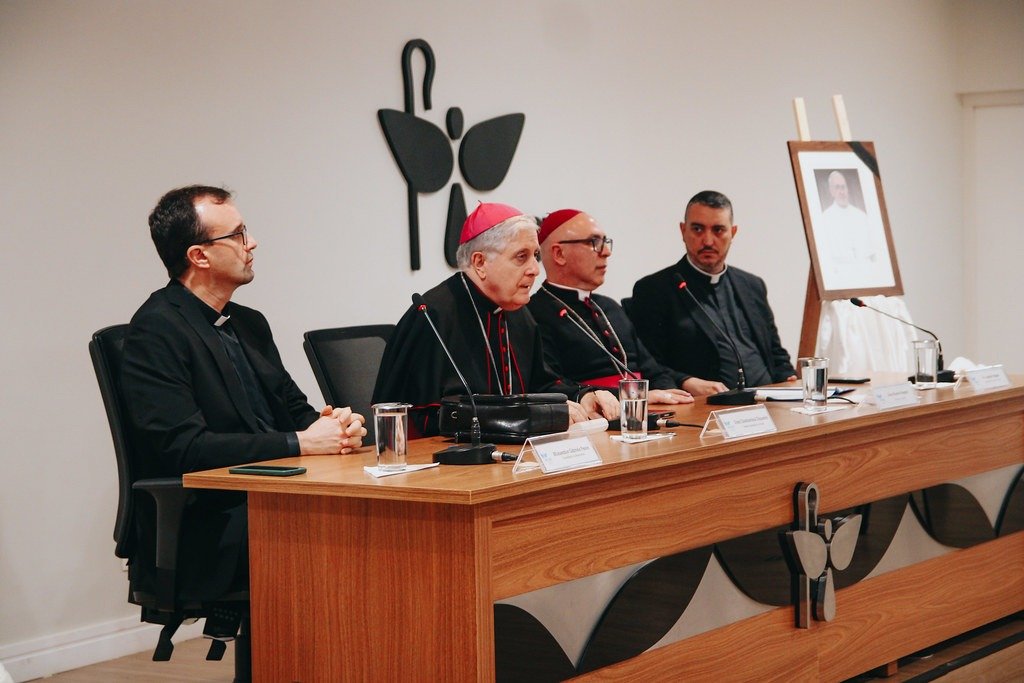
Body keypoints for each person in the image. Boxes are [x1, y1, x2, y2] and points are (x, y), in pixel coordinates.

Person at [121, 185, 365, 614]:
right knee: (366, 539)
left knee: (389, 524)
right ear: (200, 256)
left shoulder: (249, 323)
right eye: (236, 235)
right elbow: (184, 448)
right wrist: (302, 442)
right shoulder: (156, 330)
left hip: (272, 500)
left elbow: (296, 412)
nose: (252, 243)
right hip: (213, 520)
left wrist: (337, 427)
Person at [373, 202, 619, 437]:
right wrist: (526, 415)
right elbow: (422, 417)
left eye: (535, 256)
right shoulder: (433, 315)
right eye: (521, 257)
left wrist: (582, 396)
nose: (535, 269)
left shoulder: (520, 315)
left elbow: (540, 385)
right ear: (480, 262)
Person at [630, 190, 795, 396]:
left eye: (718, 230)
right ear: (683, 231)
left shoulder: (752, 285)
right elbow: (647, 364)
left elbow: (775, 352)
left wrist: (790, 382)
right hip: (708, 407)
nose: (708, 241)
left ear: (733, 233)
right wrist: (686, 381)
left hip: (768, 401)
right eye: (698, 229)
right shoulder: (654, 289)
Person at [529, 209, 693, 405]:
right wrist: (635, 397)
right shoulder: (534, 313)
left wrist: (672, 398)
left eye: (605, 242)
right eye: (594, 243)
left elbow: (653, 371)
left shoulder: (609, 307)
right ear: (559, 254)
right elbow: (554, 386)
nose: (606, 252)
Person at [816, 170, 893, 289]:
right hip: (841, 279)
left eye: (843, 187)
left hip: (867, 277)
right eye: (837, 188)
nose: (841, 192)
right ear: (831, 191)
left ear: (848, 189)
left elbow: (873, 254)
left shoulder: (861, 216)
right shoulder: (825, 219)